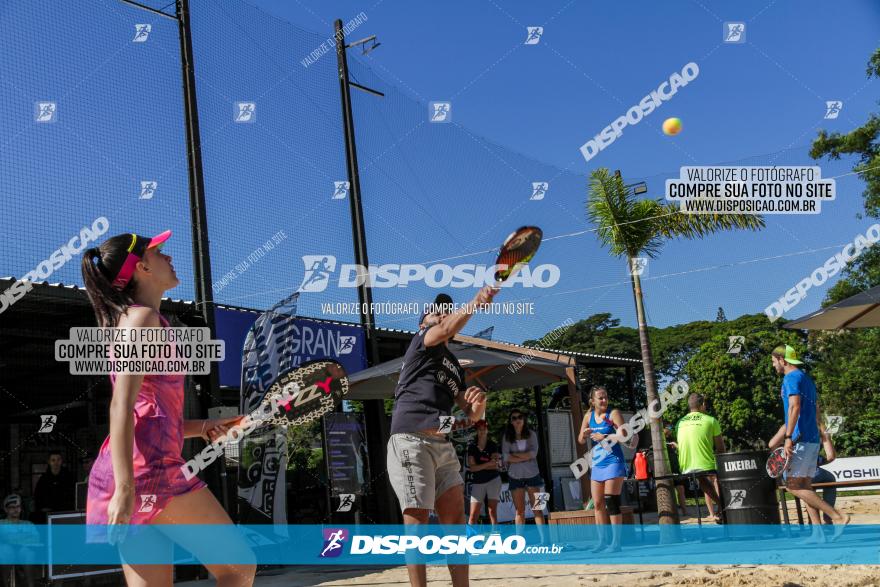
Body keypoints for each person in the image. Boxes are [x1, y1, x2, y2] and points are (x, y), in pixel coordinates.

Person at [81, 231, 255, 586]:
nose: (170, 257)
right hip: (147, 472)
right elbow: (121, 405)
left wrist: (205, 426)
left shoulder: (138, 320)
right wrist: (127, 489)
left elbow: (152, 413)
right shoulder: (142, 320)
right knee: (238, 566)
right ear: (141, 267)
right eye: (160, 252)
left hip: (134, 470)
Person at [386, 289, 496, 587]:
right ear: (424, 323)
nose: (443, 313)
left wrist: (479, 404)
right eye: (437, 311)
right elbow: (446, 328)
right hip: (411, 440)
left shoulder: (455, 366)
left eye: (447, 309)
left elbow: (472, 416)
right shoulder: (423, 342)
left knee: (456, 526)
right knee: (418, 523)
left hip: (442, 445)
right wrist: (476, 302)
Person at [770, 345, 849, 542]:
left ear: (782, 359)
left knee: (793, 487)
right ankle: (818, 533)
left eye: (773, 361)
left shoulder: (791, 378)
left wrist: (788, 437)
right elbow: (815, 410)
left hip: (799, 438)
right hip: (810, 437)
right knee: (805, 486)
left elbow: (794, 407)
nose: (773, 366)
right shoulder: (806, 378)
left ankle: (838, 516)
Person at [577, 386, 628, 553]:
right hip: (598, 463)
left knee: (611, 501)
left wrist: (604, 437)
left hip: (614, 461)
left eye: (605, 397)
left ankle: (616, 543)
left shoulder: (613, 414)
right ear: (592, 401)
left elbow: (625, 435)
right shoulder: (588, 416)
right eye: (600, 398)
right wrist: (584, 434)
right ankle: (602, 542)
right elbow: (580, 440)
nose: (604, 400)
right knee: (598, 504)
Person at [769, 406, 838, 523]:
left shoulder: (788, 425)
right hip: (810, 470)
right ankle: (828, 516)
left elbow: (771, 444)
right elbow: (831, 456)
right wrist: (817, 461)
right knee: (830, 479)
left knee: (805, 487)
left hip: (790, 471)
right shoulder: (820, 427)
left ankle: (819, 526)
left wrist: (784, 455)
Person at [675, 393, 725, 523]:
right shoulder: (710, 420)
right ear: (702, 405)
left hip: (685, 467)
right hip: (706, 465)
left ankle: (720, 507)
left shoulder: (679, 423)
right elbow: (721, 449)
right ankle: (723, 506)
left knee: (702, 478)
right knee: (719, 474)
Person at [502, 410, 546, 537]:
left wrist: (514, 456)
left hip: (533, 475)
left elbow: (534, 453)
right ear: (511, 422)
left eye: (520, 417)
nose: (517, 420)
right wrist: (525, 457)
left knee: (537, 508)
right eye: (514, 418)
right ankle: (519, 541)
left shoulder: (531, 434)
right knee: (519, 511)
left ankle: (545, 540)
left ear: (524, 419)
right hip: (515, 476)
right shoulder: (506, 436)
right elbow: (505, 457)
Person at [466, 420, 502, 530]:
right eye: (479, 429)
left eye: (484, 429)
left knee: (492, 512)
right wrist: (487, 464)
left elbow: (495, 466)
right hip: (478, 482)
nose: (482, 431)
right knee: (473, 516)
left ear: (487, 430)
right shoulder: (472, 446)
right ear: (477, 431)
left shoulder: (493, 445)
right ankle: (472, 541)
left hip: (493, 480)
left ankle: (495, 539)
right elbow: (472, 468)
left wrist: (479, 466)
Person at [0, 494, 40, 587]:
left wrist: (13, 538)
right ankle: (5, 584)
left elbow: (36, 539)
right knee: (5, 550)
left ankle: (31, 585)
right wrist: (23, 538)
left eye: (18, 506)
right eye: (12, 507)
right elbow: (4, 539)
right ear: (6, 510)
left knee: (28, 553)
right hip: (6, 553)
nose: (15, 509)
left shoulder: (28, 524)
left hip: (24, 551)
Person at [33, 451, 76, 521]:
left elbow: (73, 495)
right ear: (49, 462)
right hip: (48, 514)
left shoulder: (69, 477)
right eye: (53, 460)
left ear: (61, 461)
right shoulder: (43, 479)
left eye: (58, 460)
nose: (56, 463)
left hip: (65, 512)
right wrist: (42, 508)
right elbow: (37, 497)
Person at [663, 426, 689, 518]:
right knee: (669, 492)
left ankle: (684, 511)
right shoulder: (658, 440)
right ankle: (671, 512)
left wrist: (675, 445)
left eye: (671, 428)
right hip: (665, 470)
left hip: (675, 469)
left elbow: (681, 449)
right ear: (663, 429)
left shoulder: (672, 439)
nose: (670, 429)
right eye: (668, 427)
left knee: (681, 490)